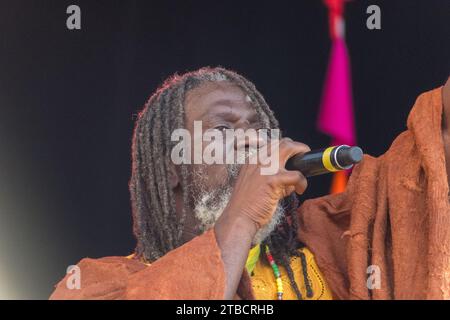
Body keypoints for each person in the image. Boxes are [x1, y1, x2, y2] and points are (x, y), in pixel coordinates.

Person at [50, 67, 450, 300]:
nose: (253, 140)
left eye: (260, 130)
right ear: (172, 164)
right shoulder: (98, 285)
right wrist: (240, 216)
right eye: (224, 127)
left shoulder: (330, 239)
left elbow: (427, 168)